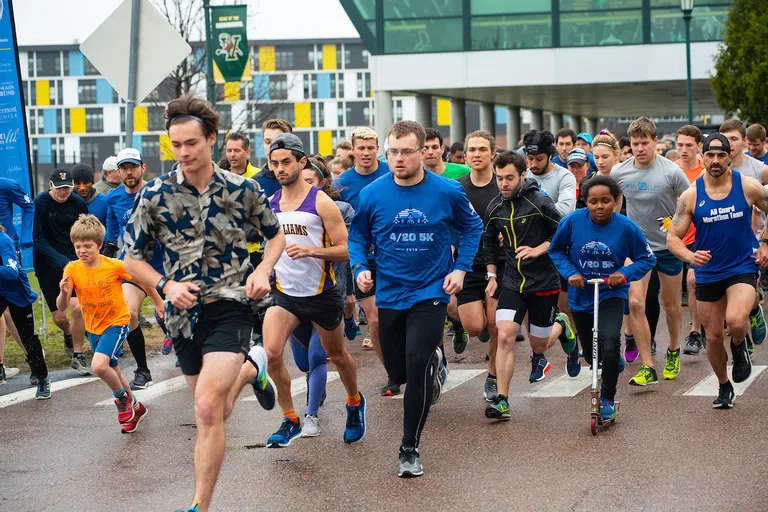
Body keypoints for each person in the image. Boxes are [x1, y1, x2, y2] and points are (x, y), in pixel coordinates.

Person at [123, 95, 282, 512]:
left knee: (208, 408)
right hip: (181, 315)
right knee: (214, 407)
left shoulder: (243, 189)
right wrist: (164, 285)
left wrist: (263, 270)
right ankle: (253, 369)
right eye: (176, 145)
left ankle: (198, 506)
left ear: (211, 139)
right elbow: (130, 258)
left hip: (230, 304)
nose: (184, 152)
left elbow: (275, 236)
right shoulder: (155, 194)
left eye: (191, 143)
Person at [350, 120, 482, 477]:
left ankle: (409, 447)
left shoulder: (447, 191)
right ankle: (433, 362)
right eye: (392, 151)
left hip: (431, 292)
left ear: (422, 152)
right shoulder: (373, 194)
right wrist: (360, 265)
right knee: (398, 371)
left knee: (416, 363)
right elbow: (357, 236)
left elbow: (473, 227)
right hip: (390, 292)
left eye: (406, 151)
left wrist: (460, 269)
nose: (398, 158)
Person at [261, 133, 366, 448]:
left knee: (337, 355)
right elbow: (267, 246)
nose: (280, 169)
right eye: (274, 163)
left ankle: (354, 402)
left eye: (286, 162)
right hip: (285, 296)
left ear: (301, 162)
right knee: (272, 353)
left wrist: (311, 252)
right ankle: (290, 418)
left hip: (322, 295)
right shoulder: (271, 204)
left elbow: (348, 250)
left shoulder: (321, 201)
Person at [667, 133, 768, 408]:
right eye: (709, 155)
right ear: (703, 157)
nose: (714, 160)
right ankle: (724, 386)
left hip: (742, 266)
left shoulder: (748, 186)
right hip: (709, 271)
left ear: (729, 156)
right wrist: (690, 255)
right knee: (711, 337)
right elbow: (672, 237)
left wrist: (766, 242)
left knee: (735, 320)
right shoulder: (691, 194)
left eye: (720, 155)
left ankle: (739, 342)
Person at [549, 175, 655, 420]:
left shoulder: (626, 227)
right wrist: (570, 273)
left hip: (610, 292)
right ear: (584, 201)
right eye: (593, 201)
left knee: (608, 341)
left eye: (606, 201)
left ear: (616, 201)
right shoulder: (572, 222)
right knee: (590, 353)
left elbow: (647, 259)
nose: (599, 206)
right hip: (581, 292)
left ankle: (606, 398)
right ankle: (610, 359)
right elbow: (555, 251)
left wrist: (624, 273)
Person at [483, 151, 566, 422]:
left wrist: (538, 249)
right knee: (505, 335)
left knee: (539, 344)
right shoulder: (495, 207)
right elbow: (489, 244)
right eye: (499, 178)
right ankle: (503, 399)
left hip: (543, 281)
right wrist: (492, 275)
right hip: (512, 282)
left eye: (509, 178)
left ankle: (562, 326)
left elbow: (562, 234)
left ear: (522, 176)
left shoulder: (540, 201)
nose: (504, 183)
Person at [612, 117, 690, 386]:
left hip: (668, 246)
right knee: (635, 302)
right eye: (635, 143)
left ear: (655, 142)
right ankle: (647, 365)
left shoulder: (672, 172)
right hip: (637, 248)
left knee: (670, 305)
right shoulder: (619, 172)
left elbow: (689, 203)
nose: (640, 148)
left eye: (645, 143)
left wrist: (677, 226)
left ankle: (673, 349)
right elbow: (613, 203)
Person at [57, 214, 148, 431]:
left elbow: (143, 279)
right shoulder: (72, 269)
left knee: (99, 366)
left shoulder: (114, 265)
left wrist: (159, 303)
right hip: (93, 327)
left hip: (117, 323)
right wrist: (63, 293)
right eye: (78, 246)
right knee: (113, 371)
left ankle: (121, 400)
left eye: (87, 246)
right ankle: (136, 406)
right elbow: (61, 307)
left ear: (99, 245)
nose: (82, 251)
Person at [336, 127, 393, 388]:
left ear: (378, 149)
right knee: (376, 319)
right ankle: (392, 374)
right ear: (353, 151)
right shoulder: (342, 183)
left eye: (371, 148)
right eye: (361, 148)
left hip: (394, 255)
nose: (367, 153)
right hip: (361, 258)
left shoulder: (391, 174)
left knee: (399, 315)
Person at [104, 148, 164, 390]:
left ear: (142, 168)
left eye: (133, 167)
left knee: (180, 319)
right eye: (124, 168)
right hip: (132, 267)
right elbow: (111, 236)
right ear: (118, 172)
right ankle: (143, 371)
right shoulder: (113, 198)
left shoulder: (158, 192)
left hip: (165, 268)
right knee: (129, 314)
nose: (129, 172)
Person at [524, 130, 580, 369]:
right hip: (528, 250)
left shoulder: (564, 177)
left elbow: (565, 210)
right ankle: (538, 355)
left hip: (559, 249)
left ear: (550, 156)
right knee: (527, 302)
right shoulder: (523, 175)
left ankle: (573, 346)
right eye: (529, 158)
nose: (533, 164)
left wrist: (531, 217)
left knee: (565, 306)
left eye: (538, 159)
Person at [456, 130, 505, 401]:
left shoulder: (502, 186)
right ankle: (476, 324)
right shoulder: (458, 187)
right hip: (468, 264)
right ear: (465, 155)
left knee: (496, 325)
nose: (477, 154)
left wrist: (506, 234)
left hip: (498, 265)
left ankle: (493, 375)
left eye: (482, 150)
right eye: (472, 150)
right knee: (475, 327)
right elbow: (449, 223)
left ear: (492, 154)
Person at [33, 168, 90, 374]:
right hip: (47, 265)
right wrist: (61, 261)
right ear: (50, 186)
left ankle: (78, 355)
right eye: (59, 188)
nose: (63, 192)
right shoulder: (40, 204)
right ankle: (69, 333)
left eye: (67, 188)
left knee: (77, 308)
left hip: (73, 262)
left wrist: (84, 255)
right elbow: (37, 240)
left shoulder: (78, 203)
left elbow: (85, 230)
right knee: (60, 318)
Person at [0, 225, 50, 398]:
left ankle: (42, 377)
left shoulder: (4, 241)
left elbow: (12, 273)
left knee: (27, 336)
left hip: (17, 292)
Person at [673, 125, 706, 355]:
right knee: (673, 293)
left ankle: (695, 332)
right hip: (674, 238)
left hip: (701, 237)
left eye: (689, 145)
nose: (684, 150)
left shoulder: (707, 172)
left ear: (699, 146)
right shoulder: (672, 171)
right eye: (680, 145)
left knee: (693, 281)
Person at [252, 118, 292, 198]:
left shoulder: (303, 179)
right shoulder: (253, 185)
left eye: (277, 142)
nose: (272, 146)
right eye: (268, 142)